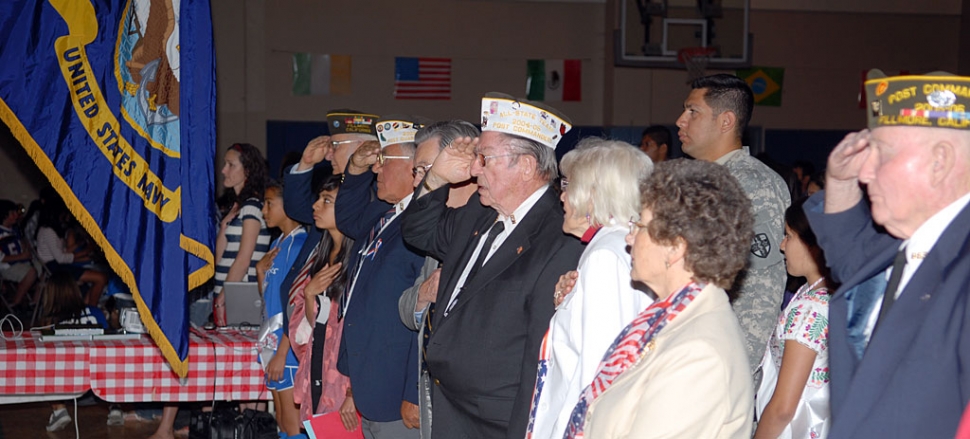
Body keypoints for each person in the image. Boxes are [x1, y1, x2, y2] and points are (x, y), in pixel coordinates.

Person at [401, 93, 585, 439]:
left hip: (495, 423)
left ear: (527, 166)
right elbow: (419, 232)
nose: (473, 170)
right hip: (450, 408)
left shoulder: (559, 235)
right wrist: (436, 179)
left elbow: (539, 354)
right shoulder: (480, 212)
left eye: (484, 159)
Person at [803, 70, 970, 438]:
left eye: (882, 154)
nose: (865, 171)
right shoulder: (918, 242)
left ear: (939, 162)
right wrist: (841, 183)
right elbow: (854, 266)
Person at [564, 158, 754, 438]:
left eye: (639, 226)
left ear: (675, 248)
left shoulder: (700, 355)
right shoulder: (667, 318)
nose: (629, 239)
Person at [525, 139, 654, 439]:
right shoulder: (617, 246)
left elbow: (602, 372)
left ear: (594, 195)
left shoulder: (607, 255)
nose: (562, 198)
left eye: (569, 186)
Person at [675, 73, 791, 374]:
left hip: (721, 369)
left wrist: (734, 373)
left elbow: (758, 293)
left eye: (692, 112)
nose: (680, 121)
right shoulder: (699, 181)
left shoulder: (752, 185)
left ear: (725, 121)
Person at [333, 115, 430, 438]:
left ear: (416, 168)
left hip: (397, 387)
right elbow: (347, 219)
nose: (377, 169)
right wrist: (356, 170)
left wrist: (413, 392)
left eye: (384, 161)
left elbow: (426, 315)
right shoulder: (387, 215)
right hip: (370, 378)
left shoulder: (425, 224)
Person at [396, 119, 482, 439]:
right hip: (433, 393)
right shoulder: (436, 229)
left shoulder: (491, 224)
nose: (420, 181)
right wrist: (423, 295)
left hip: (476, 406)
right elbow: (405, 307)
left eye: (425, 170)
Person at [755, 198, 832, 439]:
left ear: (814, 245)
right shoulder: (819, 293)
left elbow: (783, 408)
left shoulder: (810, 309)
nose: (781, 245)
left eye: (788, 236)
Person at [288, 175, 355, 427]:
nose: (316, 206)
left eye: (327, 200)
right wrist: (308, 295)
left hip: (343, 375)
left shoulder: (360, 256)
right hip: (318, 364)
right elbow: (313, 325)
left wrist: (352, 390)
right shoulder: (321, 255)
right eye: (318, 199)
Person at [255, 180, 307, 437]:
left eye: (269, 204)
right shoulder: (279, 243)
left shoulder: (299, 245)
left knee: (292, 424)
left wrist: (282, 352)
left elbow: (296, 305)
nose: (264, 211)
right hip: (271, 343)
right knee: (281, 421)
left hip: (286, 349)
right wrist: (259, 272)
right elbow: (270, 298)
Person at [41, 270, 110, 432]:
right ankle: (116, 406)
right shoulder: (96, 312)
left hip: (69, 388)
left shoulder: (50, 322)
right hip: (101, 388)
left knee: (43, 359)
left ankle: (59, 409)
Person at [212, 142, 272, 326]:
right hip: (228, 291)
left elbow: (244, 259)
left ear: (247, 170)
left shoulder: (252, 206)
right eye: (224, 164)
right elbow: (219, 259)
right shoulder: (239, 208)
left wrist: (223, 297)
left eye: (231, 165)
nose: (223, 170)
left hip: (238, 294)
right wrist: (224, 226)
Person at [34, 200, 108, 306]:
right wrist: (85, 252)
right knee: (101, 278)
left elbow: (62, 252)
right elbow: (60, 258)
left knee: (99, 278)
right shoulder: (47, 231)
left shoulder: (51, 231)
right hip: (54, 267)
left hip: (57, 265)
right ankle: (92, 310)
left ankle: (88, 308)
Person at [0, 199, 38, 308]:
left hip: (22, 261)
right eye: (12, 213)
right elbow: (1, 258)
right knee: (31, 272)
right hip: (7, 266)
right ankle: (15, 303)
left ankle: (34, 303)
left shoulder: (15, 229)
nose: (16, 215)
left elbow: (23, 244)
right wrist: (21, 256)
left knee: (43, 269)